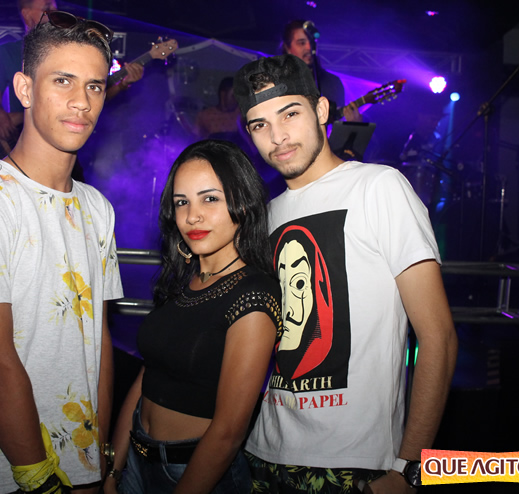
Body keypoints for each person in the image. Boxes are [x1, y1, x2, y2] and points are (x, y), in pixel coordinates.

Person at [233, 54, 458, 493]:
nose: (277, 136)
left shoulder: (380, 188)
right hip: (262, 453)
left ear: (321, 110)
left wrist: (409, 468)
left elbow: (439, 338)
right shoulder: (266, 216)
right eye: (260, 125)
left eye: (289, 114)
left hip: (355, 463)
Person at [0, 11, 123, 493]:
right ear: (24, 89)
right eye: (63, 81)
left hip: (80, 470)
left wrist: (96, 462)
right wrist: (40, 479)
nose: (82, 102)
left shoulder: (97, 208)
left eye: (95, 86)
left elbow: (98, 345)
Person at [103, 139, 282, 494]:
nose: (192, 216)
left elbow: (228, 432)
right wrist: (113, 470)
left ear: (242, 202)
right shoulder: (184, 279)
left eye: (209, 199)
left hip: (193, 472)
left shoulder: (254, 294)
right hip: (136, 460)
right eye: (181, 202)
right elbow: (147, 376)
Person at [0, 0, 144, 157]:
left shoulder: (67, 52)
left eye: (55, 8)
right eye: (47, 8)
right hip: (23, 135)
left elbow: (91, 99)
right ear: (27, 14)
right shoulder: (7, 52)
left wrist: (121, 85)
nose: (54, 13)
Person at [281, 19, 361, 124]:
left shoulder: (332, 82)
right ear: (288, 48)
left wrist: (353, 125)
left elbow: (336, 126)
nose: (309, 47)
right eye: (302, 43)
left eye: (312, 42)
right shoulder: (278, 82)